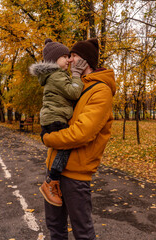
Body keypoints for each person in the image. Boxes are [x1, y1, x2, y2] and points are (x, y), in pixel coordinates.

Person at [42, 38, 116, 240]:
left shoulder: (101, 91)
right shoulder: (76, 86)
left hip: (75, 174)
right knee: (55, 227)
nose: (70, 60)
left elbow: (83, 133)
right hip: (55, 170)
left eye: (73, 56)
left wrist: (49, 138)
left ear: (85, 61)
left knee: (82, 232)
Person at [29, 38, 89, 207]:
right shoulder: (56, 76)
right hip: (55, 118)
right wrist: (77, 75)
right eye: (65, 57)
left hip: (53, 117)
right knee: (67, 146)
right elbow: (74, 93)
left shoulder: (56, 75)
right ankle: (51, 181)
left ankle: (53, 181)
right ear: (54, 60)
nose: (69, 60)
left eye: (70, 56)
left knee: (63, 149)